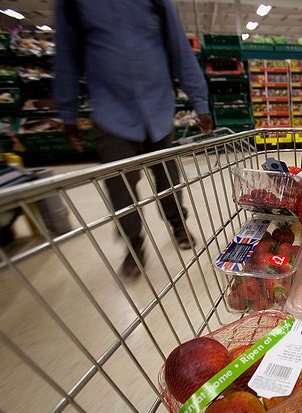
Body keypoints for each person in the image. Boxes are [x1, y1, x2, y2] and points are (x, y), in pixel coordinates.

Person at [53, 0, 214, 281]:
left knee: (168, 176)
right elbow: (67, 56)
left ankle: (178, 225)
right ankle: (133, 245)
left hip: (158, 105)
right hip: (109, 108)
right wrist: (67, 111)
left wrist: (200, 102)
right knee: (120, 186)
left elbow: (179, 51)